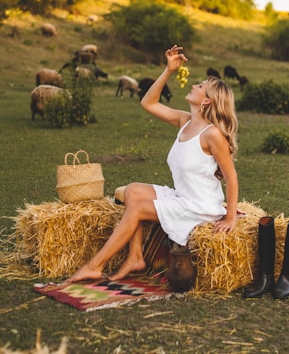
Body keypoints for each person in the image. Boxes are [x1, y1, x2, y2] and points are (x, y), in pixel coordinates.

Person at [66, 44, 239, 283]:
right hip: (183, 197)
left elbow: (231, 177)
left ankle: (95, 265)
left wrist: (230, 217)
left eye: (201, 87)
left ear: (207, 102)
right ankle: (135, 257)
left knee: (136, 208)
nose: (194, 85)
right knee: (133, 190)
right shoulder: (185, 121)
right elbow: (148, 103)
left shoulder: (212, 135)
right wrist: (168, 70)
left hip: (199, 208)